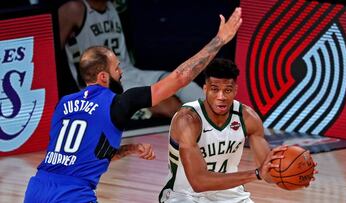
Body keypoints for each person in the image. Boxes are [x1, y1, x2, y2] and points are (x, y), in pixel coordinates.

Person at [24, 7, 243, 202]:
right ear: (103, 76)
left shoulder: (63, 104)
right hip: (72, 194)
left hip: (36, 188)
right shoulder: (118, 103)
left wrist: (129, 149)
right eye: (116, 68)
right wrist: (219, 41)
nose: (120, 73)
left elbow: (84, 155)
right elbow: (179, 78)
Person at [159, 59, 315, 203]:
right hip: (185, 195)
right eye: (215, 89)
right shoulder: (187, 120)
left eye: (227, 90)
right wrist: (256, 174)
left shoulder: (248, 118)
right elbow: (199, 182)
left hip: (229, 194)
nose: (221, 96)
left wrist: (300, 173)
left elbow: (267, 172)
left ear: (235, 90)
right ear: (205, 89)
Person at [58, 0, 205, 118]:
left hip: (130, 72)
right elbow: (48, 51)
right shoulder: (74, 9)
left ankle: (220, 122)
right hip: (106, 83)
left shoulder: (112, 6)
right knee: (169, 105)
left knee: (184, 83)